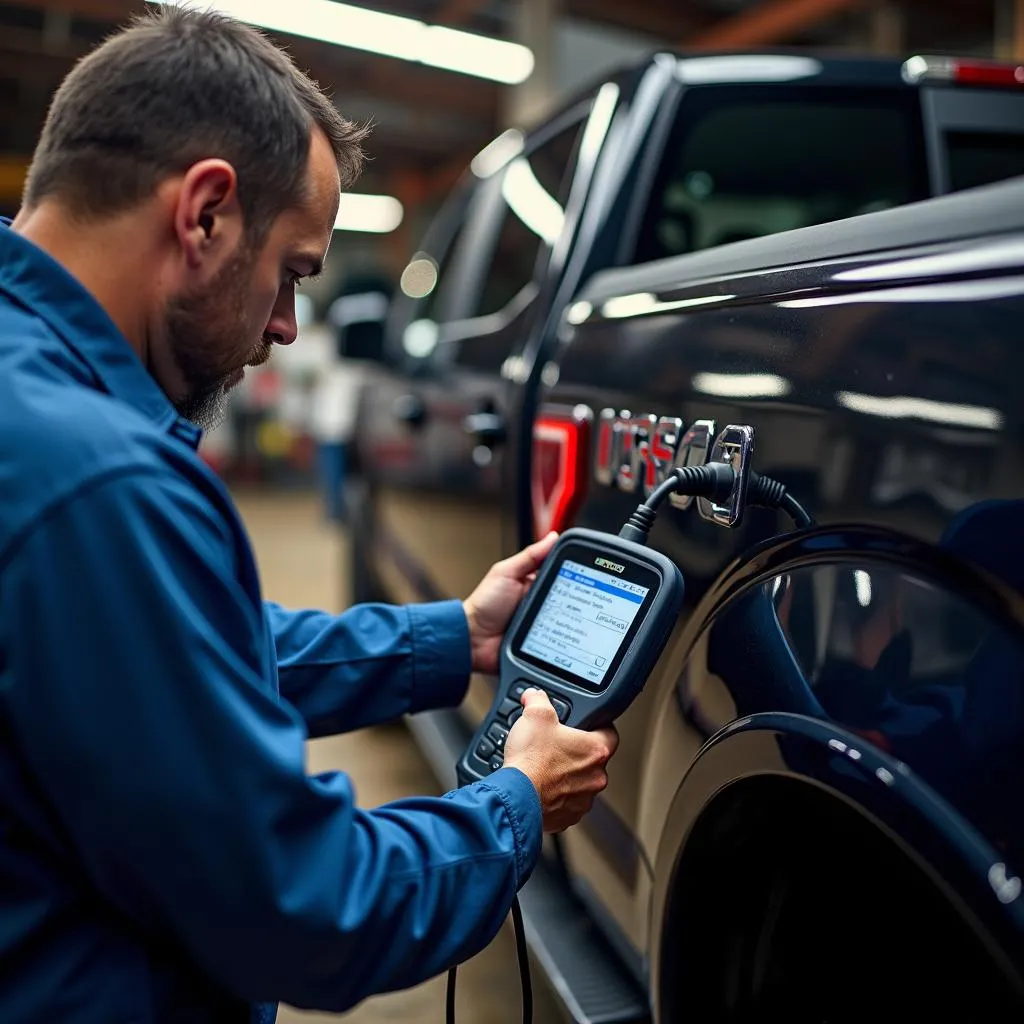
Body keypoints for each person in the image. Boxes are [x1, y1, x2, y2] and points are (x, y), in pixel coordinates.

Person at [0, 8, 617, 1023]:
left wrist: (449, 637)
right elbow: (309, 907)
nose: (287, 326)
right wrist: (510, 806)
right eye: (290, 272)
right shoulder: (100, 482)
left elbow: (158, 667)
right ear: (203, 214)